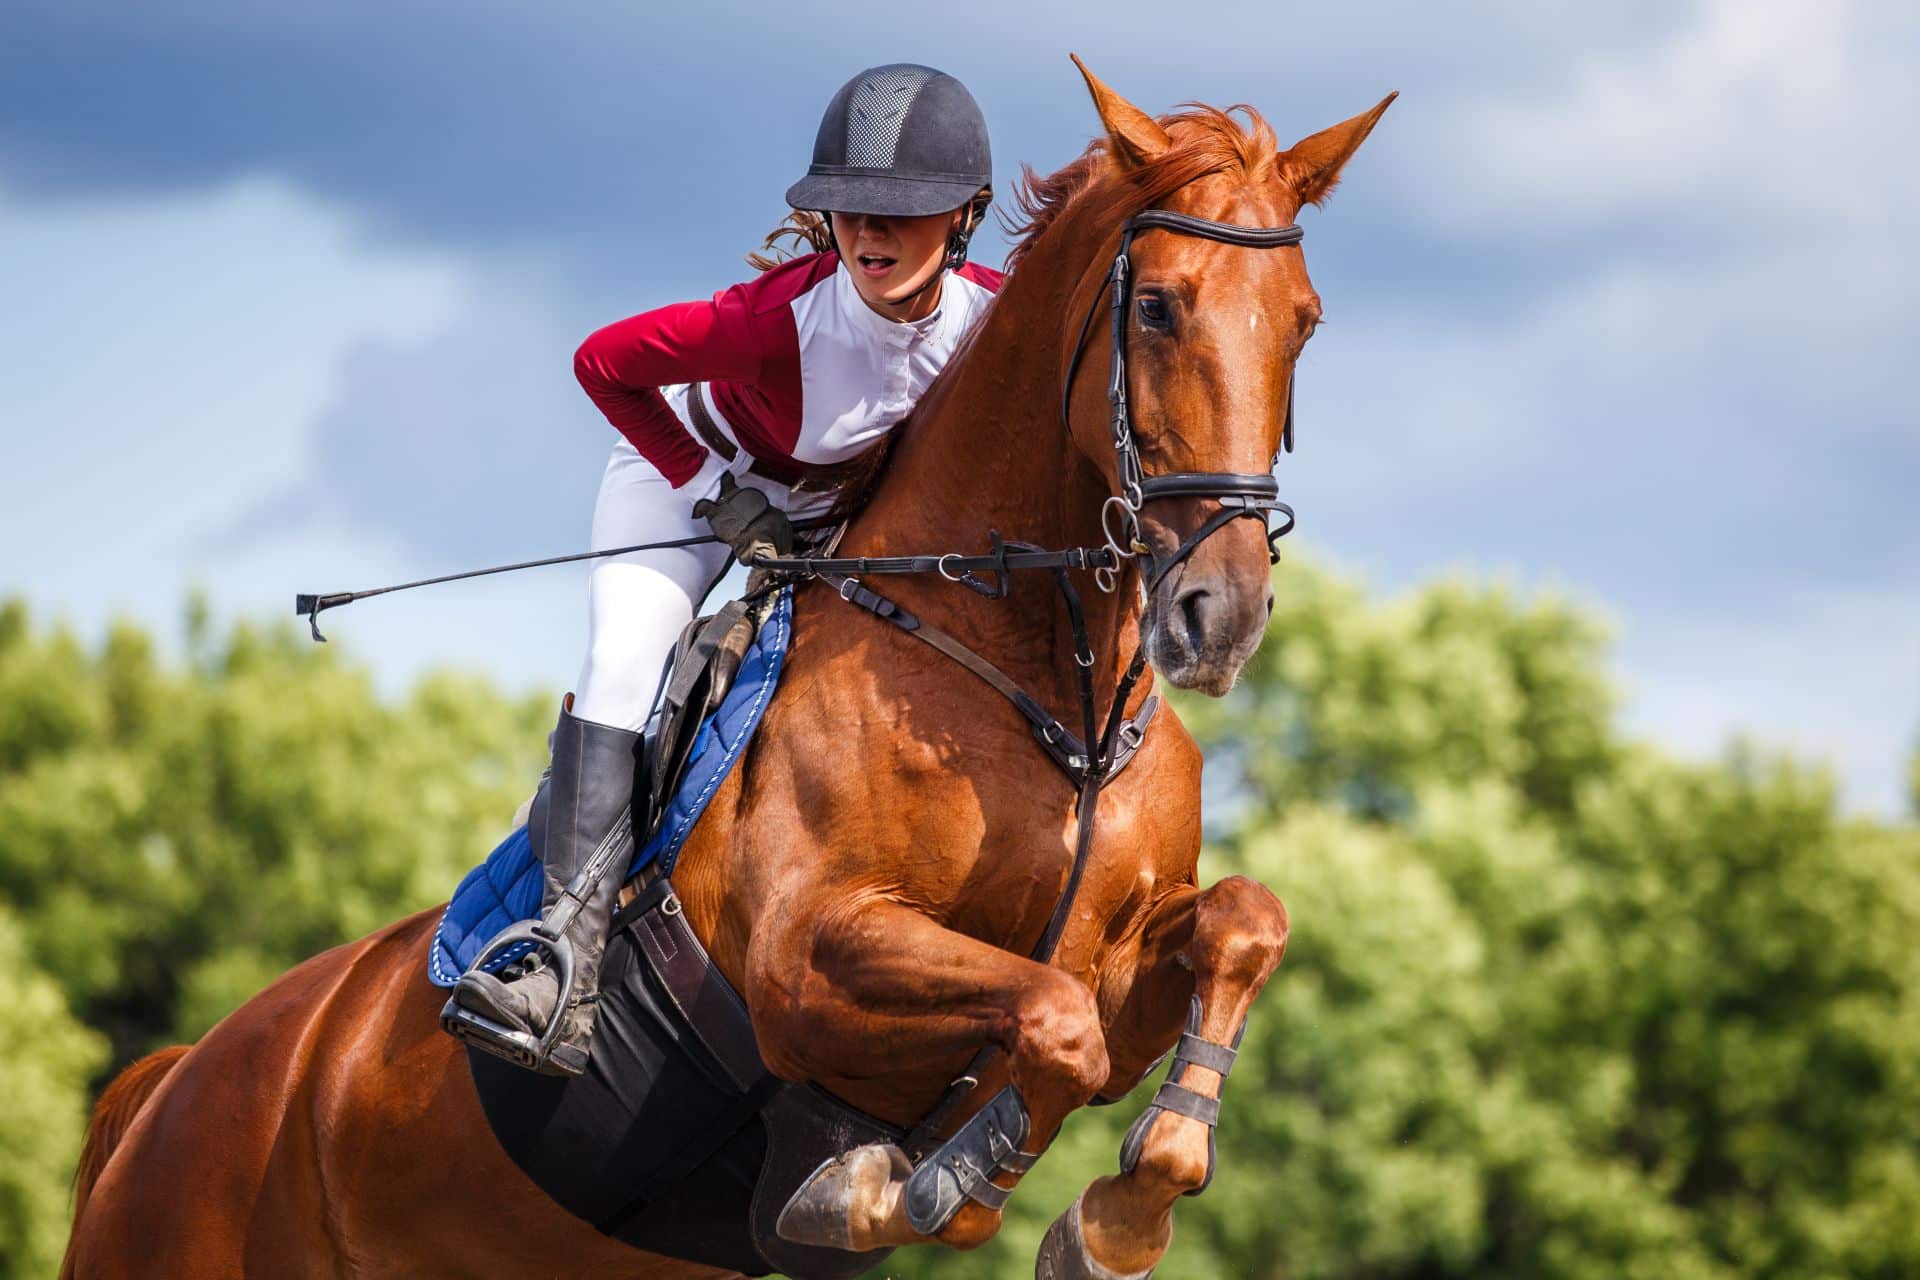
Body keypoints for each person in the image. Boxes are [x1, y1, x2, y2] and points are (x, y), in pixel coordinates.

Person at [444, 63, 1004, 1077]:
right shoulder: (773, 322)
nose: (867, 233)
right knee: (624, 662)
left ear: (966, 215)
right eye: (849, 208)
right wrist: (711, 488)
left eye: (899, 212)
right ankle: (557, 954)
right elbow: (600, 361)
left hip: (827, 517)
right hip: (687, 489)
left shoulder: (989, 319)